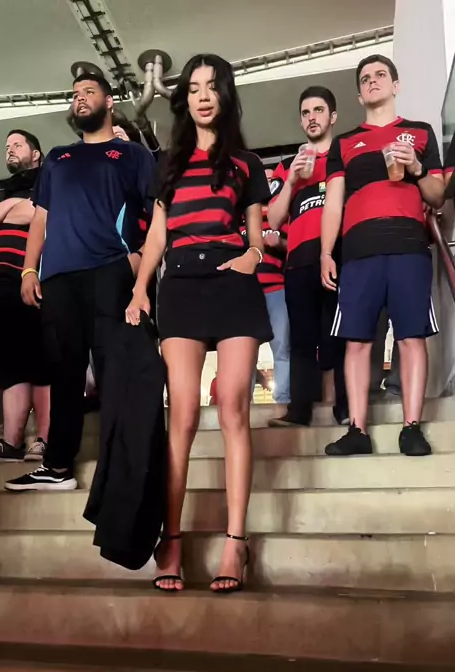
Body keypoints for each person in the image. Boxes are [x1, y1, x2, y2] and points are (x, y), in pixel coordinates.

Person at [126, 54, 271, 593]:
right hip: (182, 284)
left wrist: (253, 256)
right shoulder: (167, 163)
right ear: (184, 98)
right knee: (182, 412)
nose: (203, 96)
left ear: (225, 95)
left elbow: (255, 234)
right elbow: (156, 236)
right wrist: (140, 289)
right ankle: (171, 540)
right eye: (194, 88)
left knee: (233, 403)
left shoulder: (246, 163)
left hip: (233, 283)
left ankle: (236, 543)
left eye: (212, 86)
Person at [5, 73, 156, 491]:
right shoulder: (57, 158)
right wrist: (29, 269)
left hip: (110, 271)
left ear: (109, 102)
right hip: (58, 279)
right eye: (75, 94)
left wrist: (138, 263)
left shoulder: (132, 155)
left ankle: (123, 470)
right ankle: (57, 467)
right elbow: (41, 217)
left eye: (89, 92)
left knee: (115, 371)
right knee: (64, 372)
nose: (80, 99)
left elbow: (158, 214)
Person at [321, 54, 444, 457]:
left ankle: (412, 427)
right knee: (356, 341)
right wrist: (326, 252)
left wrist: (417, 169)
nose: (372, 81)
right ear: (359, 95)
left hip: (409, 247)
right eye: (365, 78)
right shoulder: (343, 143)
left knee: (412, 337)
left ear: (395, 85)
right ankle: (357, 429)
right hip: (358, 253)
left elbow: (437, 196)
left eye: (380, 75)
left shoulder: (420, 133)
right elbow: (333, 203)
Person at [267, 86, 348, 428]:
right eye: (305, 113)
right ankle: (299, 412)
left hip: (338, 257)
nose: (311, 118)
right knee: (300, 340)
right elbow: (273, 220)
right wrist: (291, 182)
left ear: (333, 117)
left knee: (342, 336)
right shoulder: (288, 166)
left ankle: (345, 408)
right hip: (298, 263)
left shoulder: (344, 158)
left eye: (318, 110)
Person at [0, 130, 50, 461]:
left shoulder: (48, 182)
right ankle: (11, 442)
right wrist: (9, 205)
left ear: (36, 153)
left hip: (35, 279)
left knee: (43, 362)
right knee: (8, 367)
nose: (10, 150)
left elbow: (37, 214)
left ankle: (44, 440)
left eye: (18, 145)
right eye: (7, 146)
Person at [241, 169, 290, 405]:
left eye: (271, 179)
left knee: (282, 347)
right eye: (264, 178)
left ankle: (283, 400)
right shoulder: (240, 215)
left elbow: (295, 245)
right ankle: (244, 402)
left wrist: (279, 242)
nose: (267, 182)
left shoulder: (281, 216)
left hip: (277, 288)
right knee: (243, 351)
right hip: (246, 291)